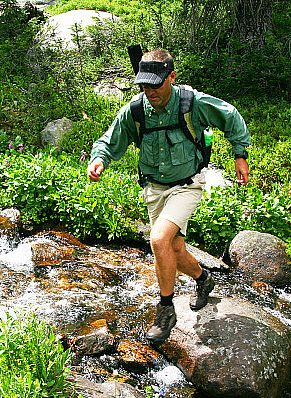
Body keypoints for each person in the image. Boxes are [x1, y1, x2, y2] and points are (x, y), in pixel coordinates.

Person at [86, 49, 250, 343]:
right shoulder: (135, 111)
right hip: (154, 189)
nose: (150, 93)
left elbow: (231, 116)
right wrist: (99, 159)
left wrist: (240, 155)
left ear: (171, 77)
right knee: (173, 250)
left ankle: (166, 310)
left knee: (159, 240)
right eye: (144, 87)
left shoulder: (192, 103)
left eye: (156, 85)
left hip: (187, 184)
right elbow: (109, 141)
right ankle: (204, 279)